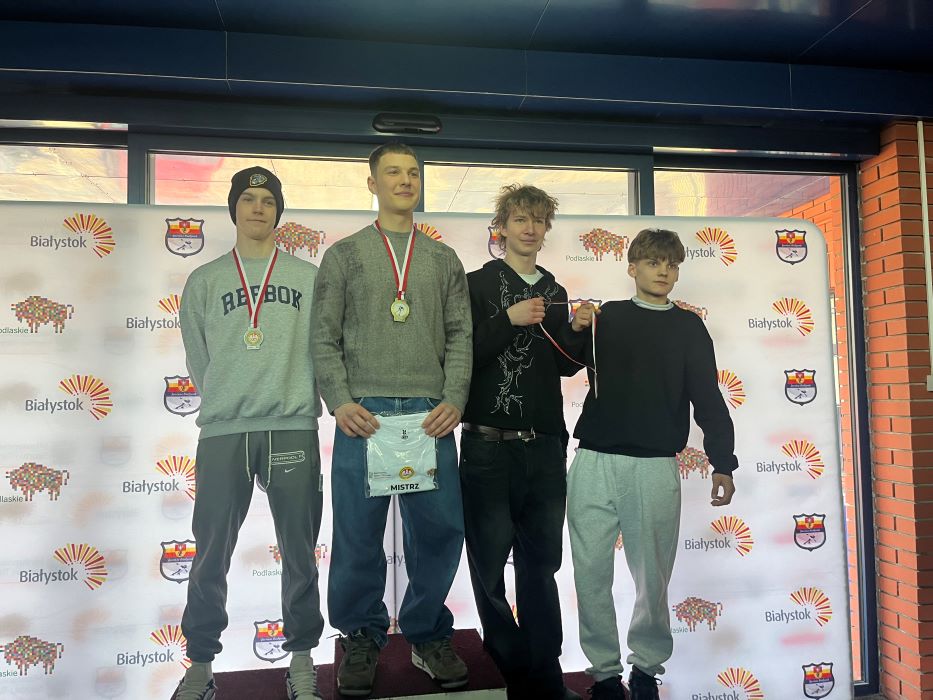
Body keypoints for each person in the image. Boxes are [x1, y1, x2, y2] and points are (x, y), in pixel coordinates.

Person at [310, 142, 473, 697]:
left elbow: (461, 335)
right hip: (365, 416)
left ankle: (427, 634)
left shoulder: (443, 259)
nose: (405, 181)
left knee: (440, 532)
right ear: (372, 183)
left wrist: (455, 398)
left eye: (413, 173)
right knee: (357, 534)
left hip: (430, 416)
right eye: (393, 172)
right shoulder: (344, 255)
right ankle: (361, 635)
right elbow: (323, 336)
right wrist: (339, 400)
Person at [564, 228, 738, 700]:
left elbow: (708, 399)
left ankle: (645, 671)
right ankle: (603, 675)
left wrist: (723, 462)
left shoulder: (688, 327)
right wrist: (576, 327)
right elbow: (564, 363)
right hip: (594, 460)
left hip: (655, 465)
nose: (663, 271)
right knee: (590, 575)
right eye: (654, 262)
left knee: (653, 578)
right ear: (632, 267)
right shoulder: (607, 317)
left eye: (671, 264)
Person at [174, 166, 325, 700]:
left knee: (300, 550)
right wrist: (225, 396)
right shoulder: (205, 280)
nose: (258, 207)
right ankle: (200, 666)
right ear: (234, 208)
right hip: (224, 430)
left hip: (291, 426)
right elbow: (198, 357)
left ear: (278, 213)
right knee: (210, 552)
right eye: (248, 199)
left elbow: (323, 349)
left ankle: (302, 659)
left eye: (267, 200)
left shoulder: (309, 277)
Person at [459, 184, 581, 700]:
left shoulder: (556, 290)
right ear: (501, 227)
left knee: (542, 566)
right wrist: (506, 321)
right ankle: (510, 670)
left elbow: (565, 366)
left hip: (545, 445)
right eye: (520, 219)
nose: (530, 228)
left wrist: (579, 331)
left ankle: (546, 672)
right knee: (488, 565)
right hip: (488, 445)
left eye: (538, 220)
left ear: (547, 228)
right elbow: (461, 355)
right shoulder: (476, 284)